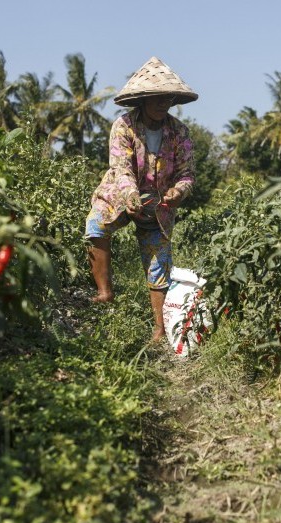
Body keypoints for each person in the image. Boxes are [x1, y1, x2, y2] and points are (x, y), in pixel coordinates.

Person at [84, 57, 197, 342]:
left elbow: (187, 175)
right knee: (96, 225)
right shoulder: (124, 126)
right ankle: (104, 292)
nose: (163, 103)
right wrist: (131, 197)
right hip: (120, 194)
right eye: (158, 98)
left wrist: (178, 192)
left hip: (159, 204)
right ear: (144, 99)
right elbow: (120, 168)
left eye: (168, 98)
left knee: (159, 260)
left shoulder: (179, 132)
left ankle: (159, 328)